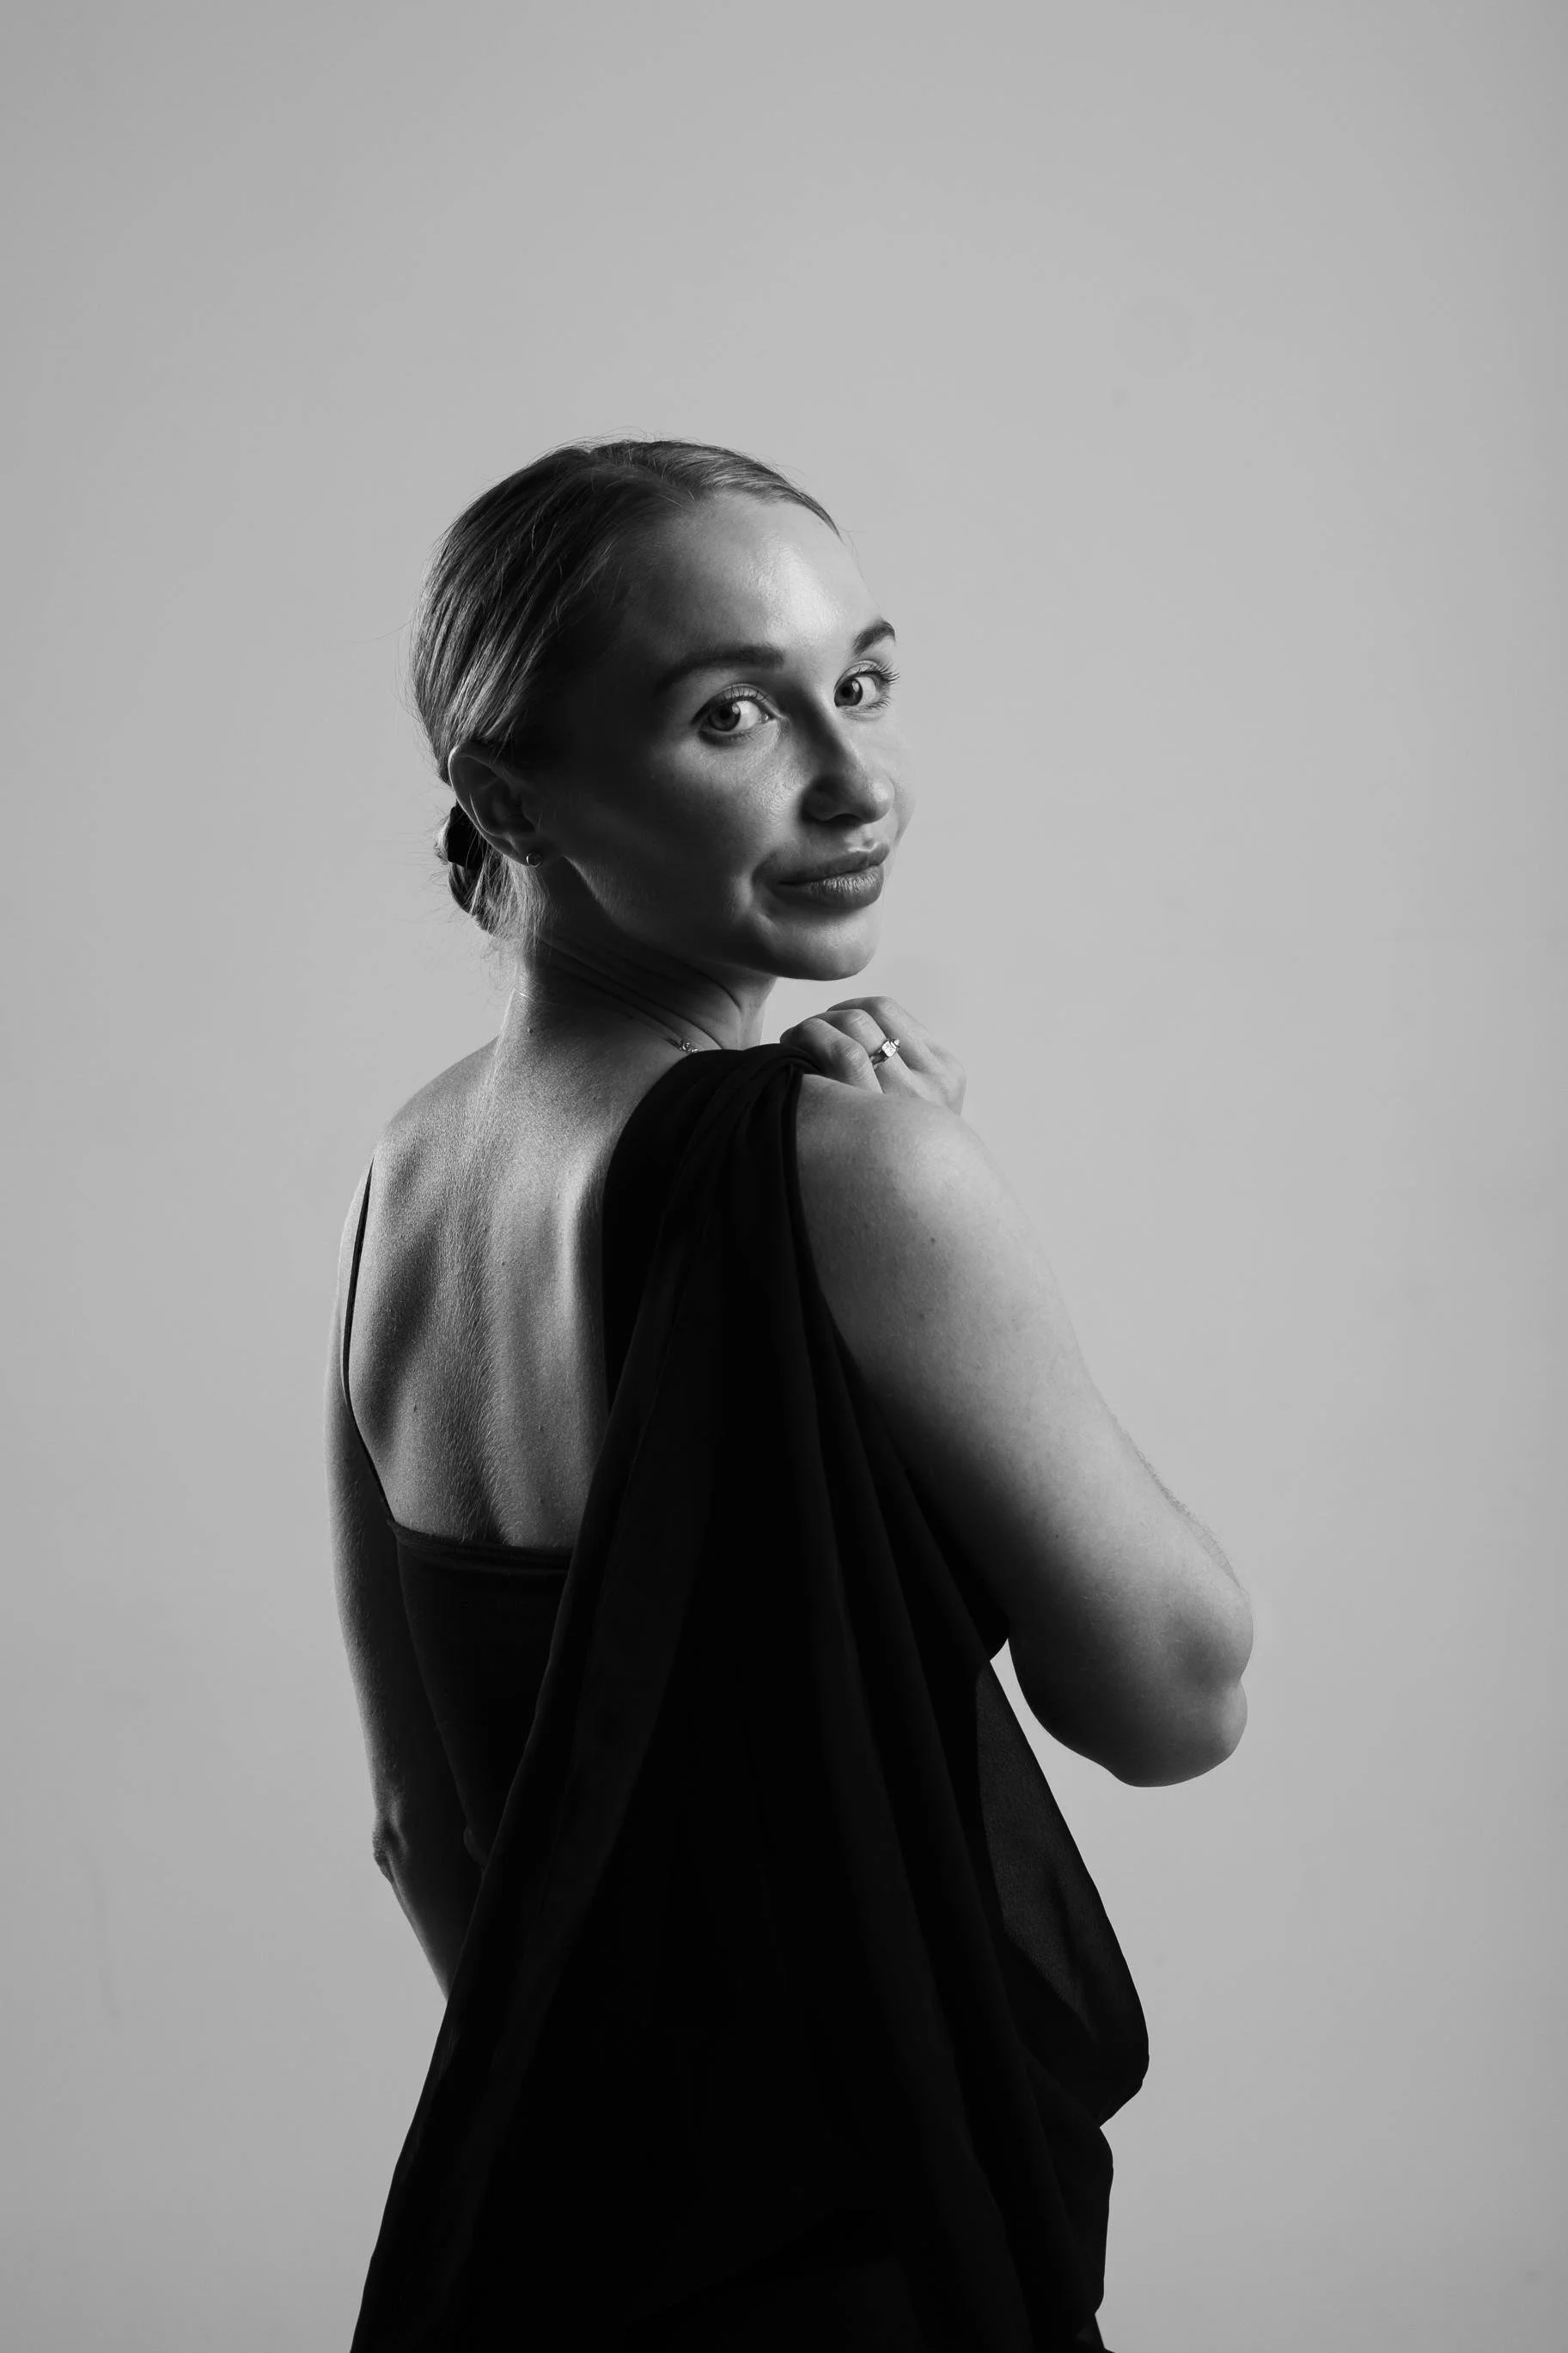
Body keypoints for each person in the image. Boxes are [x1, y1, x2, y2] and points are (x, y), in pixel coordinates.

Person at [326, 439, 1253, 2352]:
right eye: (732, 713)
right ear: (512, 786)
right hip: (861, 2263)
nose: (858, 779)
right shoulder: (845, 1164)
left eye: (866, 682)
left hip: (554, 2261)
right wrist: (913, 1191)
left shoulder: (409, 1175)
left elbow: (429, 1827)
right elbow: (1174, 1695)